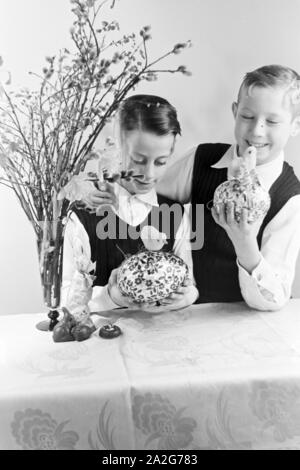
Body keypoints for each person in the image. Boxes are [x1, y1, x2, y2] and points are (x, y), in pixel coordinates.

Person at [81, 65, 300, 311]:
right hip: (192, 314)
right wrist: (105, 189)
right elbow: (145, 192)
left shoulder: (289, 196)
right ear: (235, 112)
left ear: (295, 125)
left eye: (272, 121)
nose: (257, 130)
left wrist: (245, 242)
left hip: (252, 327)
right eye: (248, 117)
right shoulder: (201, 159)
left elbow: (274, 299)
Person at [61, 94, 199, 318]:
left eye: (161, 161)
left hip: (159, 341)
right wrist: (110, 297)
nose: (149, 174)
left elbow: (189, 284)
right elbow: (66, 302)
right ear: (116, 148)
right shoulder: (82, 214)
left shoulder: (175, 214)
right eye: (138, 160)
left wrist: (186, 296)